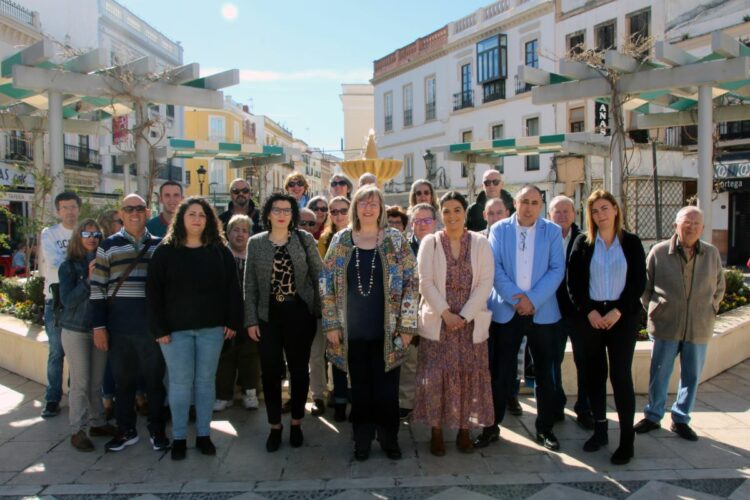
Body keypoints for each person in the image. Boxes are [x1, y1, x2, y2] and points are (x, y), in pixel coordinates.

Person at [320, 185, 418, 461]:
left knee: (388, 392)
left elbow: (412, 281)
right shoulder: (341, 241)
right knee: (360, 392)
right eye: (362, 202)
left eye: (374, 203)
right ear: (355, 208)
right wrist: (331, 325)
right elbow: (325, 283)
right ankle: (361, 440)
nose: (368, 207)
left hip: (389, 332)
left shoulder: (396, 241)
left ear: (382, 208)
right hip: (353, 333)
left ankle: (389, 439)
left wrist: (408, 326)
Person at [147, 197, 242, 460]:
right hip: (175, 332)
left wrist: (233, 321)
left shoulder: (219, 250)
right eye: (192, 214)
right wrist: (159, 328)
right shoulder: (165, 251)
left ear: (209, 219)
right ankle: (178, 437)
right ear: (181, 218)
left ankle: (203, 435)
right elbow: (153, 293)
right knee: (179, 384)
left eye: (202, 214)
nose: (197, 219)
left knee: (204, 383)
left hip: (212, 329)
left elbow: (232, 289)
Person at [475, 185, 565, 452]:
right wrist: (518, 299)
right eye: (524, 201)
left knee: (545, 374)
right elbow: (495, 268)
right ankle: (492, 427)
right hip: (507, 311)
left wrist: (533, 300)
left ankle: (545, 428)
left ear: (541, 205)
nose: (528, 207)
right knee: (500, 372)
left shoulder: (552, 231)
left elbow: (557, 269)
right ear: (515, 202)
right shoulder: (500, 230)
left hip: (543, 312)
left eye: (534, 202)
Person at [567, 189, 646, 465]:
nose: (600, 215)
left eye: (604, 208)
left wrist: (618, 311)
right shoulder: (583, 243)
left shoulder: (631, 242)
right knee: (594, 374)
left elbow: (639, 282)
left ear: (615, 209)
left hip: (621, 316)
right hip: (591, 317)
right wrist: (589, 311)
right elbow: (574, 283)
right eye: (594, 211)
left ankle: (627, 440)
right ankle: (600, 429)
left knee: (621, 376)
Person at [413, 191, 495, 456]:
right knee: (436, 379)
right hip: (439, 324)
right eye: (446, 211)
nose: (452, 216)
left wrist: (464, 316)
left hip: (470, 326)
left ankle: (464, 430)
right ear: (440, 214)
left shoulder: (481, 244)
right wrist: (447, 314)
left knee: (469, 378)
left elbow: (485, 283)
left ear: (465, 212)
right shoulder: (431, 243)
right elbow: (425, 283)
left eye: (457, 210)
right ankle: (436, 431)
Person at [635, 206, 725, 442]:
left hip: (698, 325)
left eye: (696, 223)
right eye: (687, 222)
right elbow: (645, 287)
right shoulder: (659, 252)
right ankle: (653, 415)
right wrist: (657, 310)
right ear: (676, 225)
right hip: (666, 326)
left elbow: (720, 286)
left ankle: (681, 418)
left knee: (692, 375)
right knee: (659, 373)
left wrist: (710, 307)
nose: (691, 227)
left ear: (703, 228)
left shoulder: (712, 253)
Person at [90, 194, 169, 453]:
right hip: (119, 327)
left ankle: (157, 432)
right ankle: (126, 431)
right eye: (128, 209)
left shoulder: (161, 245)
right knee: (123, 384)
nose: (134, 213)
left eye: (139, 208)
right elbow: (98, 288)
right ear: (121, 213)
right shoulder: (109, 246)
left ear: (147, 212)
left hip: (152, 328)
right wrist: (99, 327)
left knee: (155, 383)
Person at [245, 193, 322, 452]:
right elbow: (250, 286)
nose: (281, 214)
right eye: (276, 209)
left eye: (287, 210)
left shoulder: (304, 239)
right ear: (268, 213)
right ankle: (275, 426)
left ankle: (297, 422)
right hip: (268, 316)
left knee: (299, 370)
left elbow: (318, 275)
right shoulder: (255, 243)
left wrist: (323, 313)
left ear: (293, 215)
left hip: (300, 313)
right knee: (270, 371)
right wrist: (251, 319)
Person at [59, 219, 116, 451]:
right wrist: (88, 281)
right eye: (86, 233)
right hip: (76, 330)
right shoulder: (69, 266)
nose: (92, 238)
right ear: (77, 237)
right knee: (80, 383)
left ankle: (98, 422)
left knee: (96, 383)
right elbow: (67, 301)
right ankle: (77, 430)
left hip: (99, 329)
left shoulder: (105, 262)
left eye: (97, 235)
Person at [548, 195, 592, 429]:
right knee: (552, 361)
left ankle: (584, 408)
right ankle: (556, 404)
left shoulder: (586, 240)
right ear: (550, 215)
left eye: (567, 211)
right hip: (552, 310)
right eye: (558, 211)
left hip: (579, 313)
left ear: (575, 214)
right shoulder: (544, 239)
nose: (563, 215)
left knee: (583, 362)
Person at [40, 191, 81, 418]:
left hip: (78, 299)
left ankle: (75, 394)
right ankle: (52, 398)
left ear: (78, 209)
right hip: (55, 300)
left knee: (78, 354)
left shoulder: (85, 231)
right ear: (57, 211)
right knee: (56, 352)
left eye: (73, 207)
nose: (69, 211)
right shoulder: (49, 233)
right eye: (64, 207)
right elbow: (54, 261)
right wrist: (79, 260)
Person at [481, 197, 523, 416]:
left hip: (511, 307)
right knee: (489, 361)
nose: (495, 217)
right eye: (491, 213)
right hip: (484, 310)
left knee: (510, 362)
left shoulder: (517, 238)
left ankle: (510, 396)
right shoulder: (477, 239)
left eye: (499, 212)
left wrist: (518, 300)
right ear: (484, 216)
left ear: (508, 212)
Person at [214, 215, 261, 412]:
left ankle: (250, 392)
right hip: (226, 317)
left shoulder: (255, 255)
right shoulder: (220, 255)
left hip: (250, 316)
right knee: (225, 357)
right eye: (236, 230)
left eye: (244, 230)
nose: (240, 234)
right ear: (228, 232)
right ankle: (224, 395)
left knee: (250, 356)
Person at [311, 196, 352, 420]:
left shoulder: (361, 235)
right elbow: (322, 272)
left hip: (355, 305)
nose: (337, 215)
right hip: (330, 304)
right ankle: (338, 400)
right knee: (334, 354)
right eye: (333, 211)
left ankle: (352, 398)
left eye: (342, 210)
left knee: (353, 356)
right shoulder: (325, 239)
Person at [399, 202, 437, 419]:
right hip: (408, 313)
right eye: (418, 220)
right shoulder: (402, 247)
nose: (422, 225)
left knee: (435, 362)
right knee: (409, 362)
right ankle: (406, 404)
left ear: (434, 223)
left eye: (427, 220)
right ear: (411, 224)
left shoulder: (442, 245)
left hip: (436, 313)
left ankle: (433, 403)